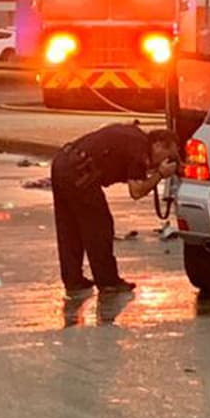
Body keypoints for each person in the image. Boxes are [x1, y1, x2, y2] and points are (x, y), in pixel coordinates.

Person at [51, 123, 180, 296]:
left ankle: (73, 280)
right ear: (157, 145)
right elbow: (136, 191)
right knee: (100, 225)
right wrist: (160, 175)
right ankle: (108, 282)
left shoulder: (135, 137)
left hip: (62, 162)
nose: (165, 161)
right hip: (79, 172)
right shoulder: (139, 152)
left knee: (69, 227)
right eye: (167, 156)